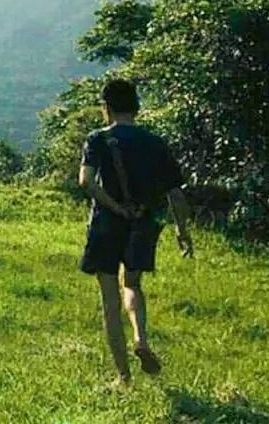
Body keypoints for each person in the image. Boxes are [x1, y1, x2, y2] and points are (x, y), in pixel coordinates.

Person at [78, 79, 194, 386]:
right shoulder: (155, 142)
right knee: (132, 285)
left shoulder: (98, 139)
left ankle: (123, 377)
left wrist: (114, 207)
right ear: (136, 107)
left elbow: (87, 182)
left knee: (109, 299)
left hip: (106, 224)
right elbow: (176, 195)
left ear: (106, 108)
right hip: (144, 223)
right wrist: (183, 232)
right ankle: (140, 338)